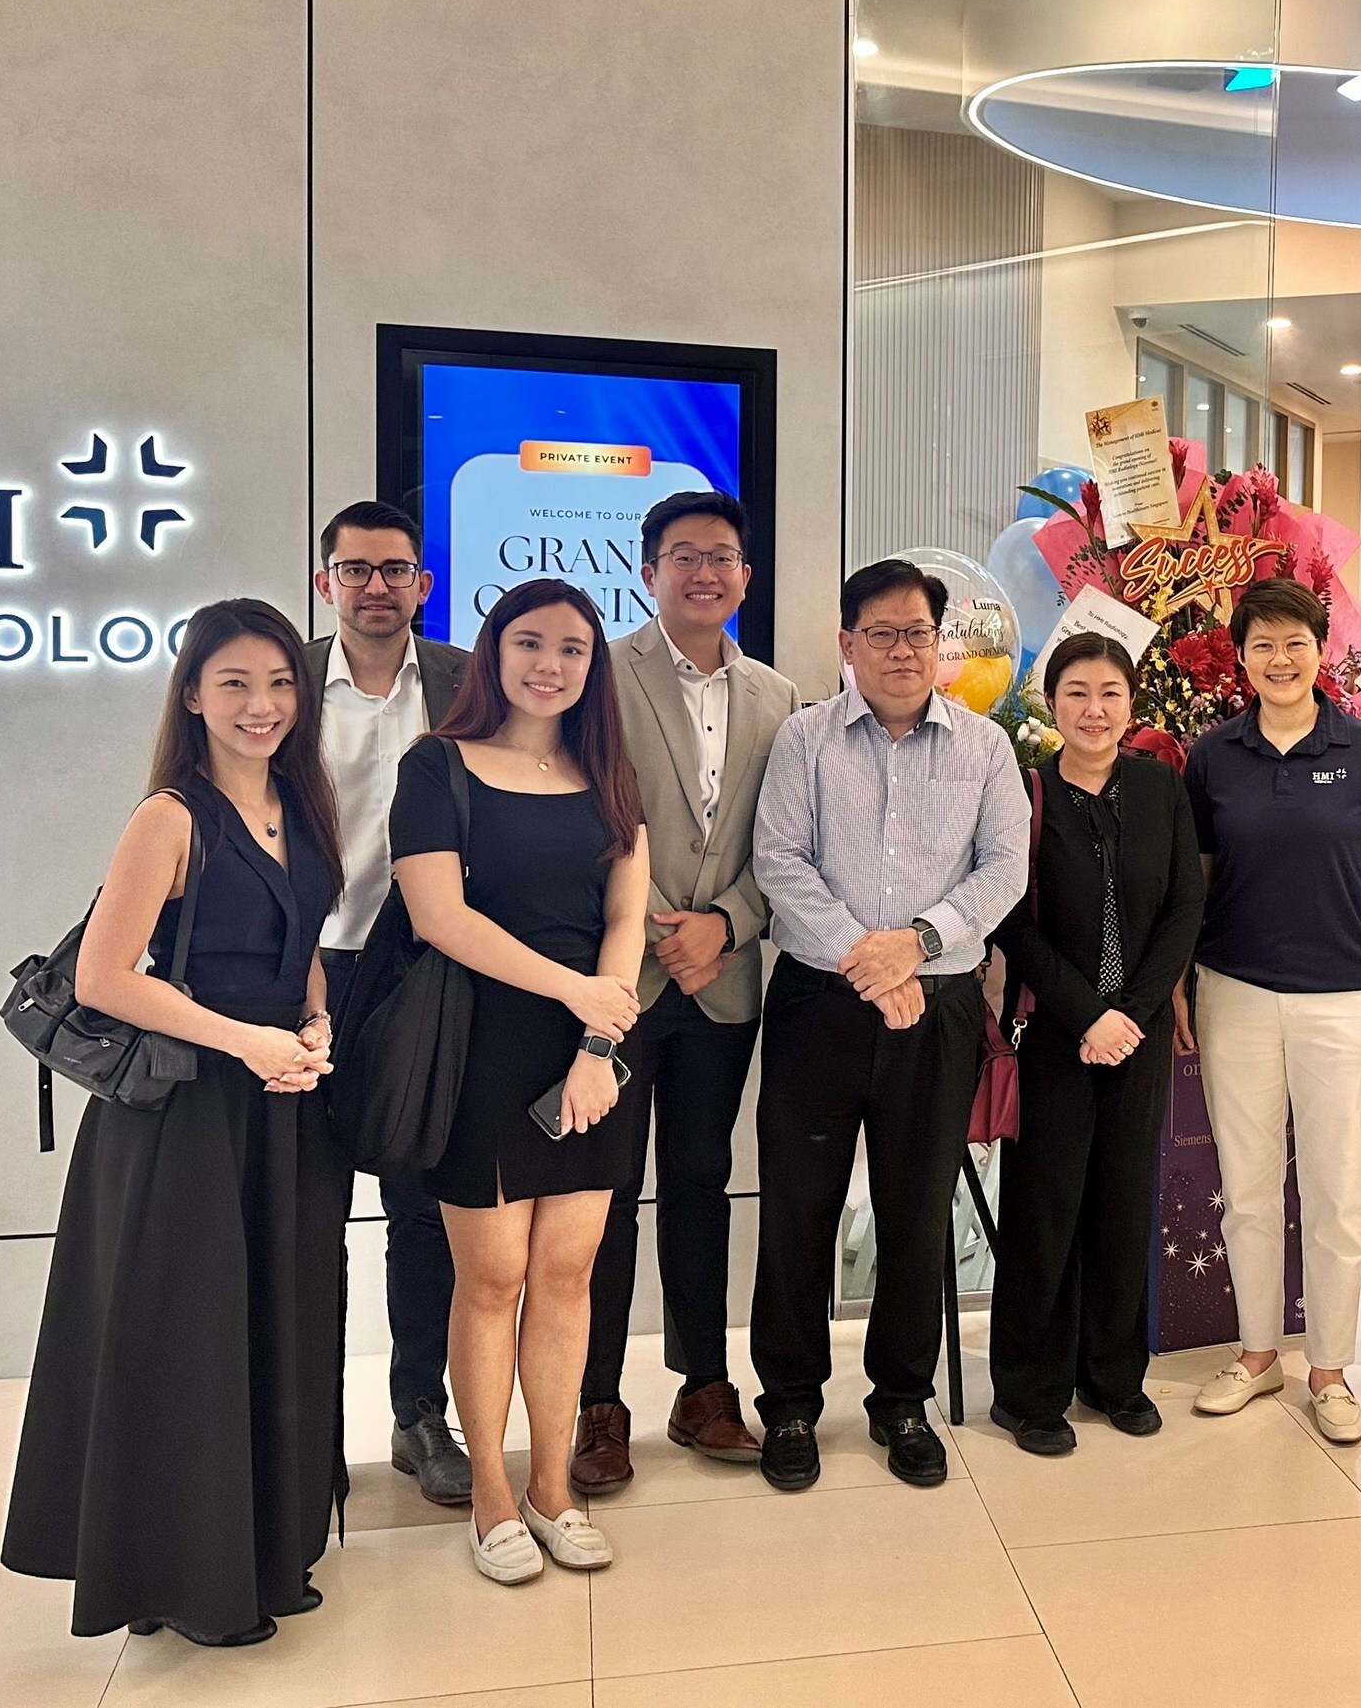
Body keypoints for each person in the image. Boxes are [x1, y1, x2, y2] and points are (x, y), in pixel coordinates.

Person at [4, 599, 347, 1646]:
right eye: (235, 683)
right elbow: (108, 978)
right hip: (186, 1119)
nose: (261, 705)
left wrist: (317, 1020)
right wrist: (248, 1043)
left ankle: (259, 1551)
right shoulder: (171, 815)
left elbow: (305, 941)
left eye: (280, 682)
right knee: (187, 1345)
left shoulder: (302, 801)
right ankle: (177, 1577)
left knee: (275, 1329)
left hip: (283, 1103)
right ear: (193, 694)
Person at [748, 557, 1028, 1492]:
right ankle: (788, 1401)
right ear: (846, 645)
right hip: (818, 1003)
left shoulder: (987, 748)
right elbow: (780, 862)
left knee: (916, 1208)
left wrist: (915, 942)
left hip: (936, 1005)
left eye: (918, 633)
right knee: (798, 1205)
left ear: (943, 648)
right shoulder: (804, 740)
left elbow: (1004, 870)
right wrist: (867, 963)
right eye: (882, 633)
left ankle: (900, 1398)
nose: (903, 650)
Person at [390, 578, 648, 1584]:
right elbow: (438, 917)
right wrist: (577, 995)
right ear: (494, 654)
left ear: (594, 668)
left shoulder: (607, 775)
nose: (550, 663)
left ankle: (552, 1490)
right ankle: (491, 1499)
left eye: (573, 649)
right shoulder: (437, 766)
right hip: (479, 1050)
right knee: (491, 1279)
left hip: (589, 1059)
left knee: (570, 1275)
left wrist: (597, 1043)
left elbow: (629, 916)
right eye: (529, 643)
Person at [572, 491, 798, 1494]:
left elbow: (787, 845)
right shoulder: (597, 677)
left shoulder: (782, 699)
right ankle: (596, 1402)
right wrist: (667, 921)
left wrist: (728, 925)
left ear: (745, 575)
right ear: (646, 570)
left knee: (702, 1187)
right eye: (683, 557)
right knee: (604, 1198)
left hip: (723, 981)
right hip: (621, 979)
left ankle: (705, 1384)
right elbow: (584, 808)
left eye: (722, 557)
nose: (704, 573)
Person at [1183, 576, 1361, 1447]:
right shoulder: (1214, 755)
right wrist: (1182, 984)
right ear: (1240, 657)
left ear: (1324, 650)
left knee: (1336, 1189)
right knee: (1244, 1187)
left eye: (1296, 643)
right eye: (1262, 645)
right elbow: (1195, 881)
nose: (1280, 660)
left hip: (1346, 995)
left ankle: (1329, 1367)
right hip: (1234, 988)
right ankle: (1255, 1354)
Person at [987, 633, 1205, 1455]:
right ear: (1052, 702)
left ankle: (1113, 1375)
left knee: (1123, 1203)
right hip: (1055, 1032)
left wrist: (1137, 1013)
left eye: (1110, 692)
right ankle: (1029, 1391)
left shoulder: (1159, 788)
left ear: (1132, 702)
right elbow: (1013, 915)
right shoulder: (1026, 790)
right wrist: (1088, 1015)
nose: (1095, 709)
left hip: (1138, 1034)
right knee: (1046, 1207)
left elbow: (1185, 903)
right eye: (1076, 692)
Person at [304, 499, 473, 1510]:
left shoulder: (461, 682)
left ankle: (420, 1414)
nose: (376, 585)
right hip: (305, 971)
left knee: (421, 1212)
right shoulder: (282, 683)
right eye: (355, 569)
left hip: (421, 970)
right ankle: (306, 1434)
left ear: (423, 583)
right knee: (304, 1210)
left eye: (394, 569)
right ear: (327, 581)